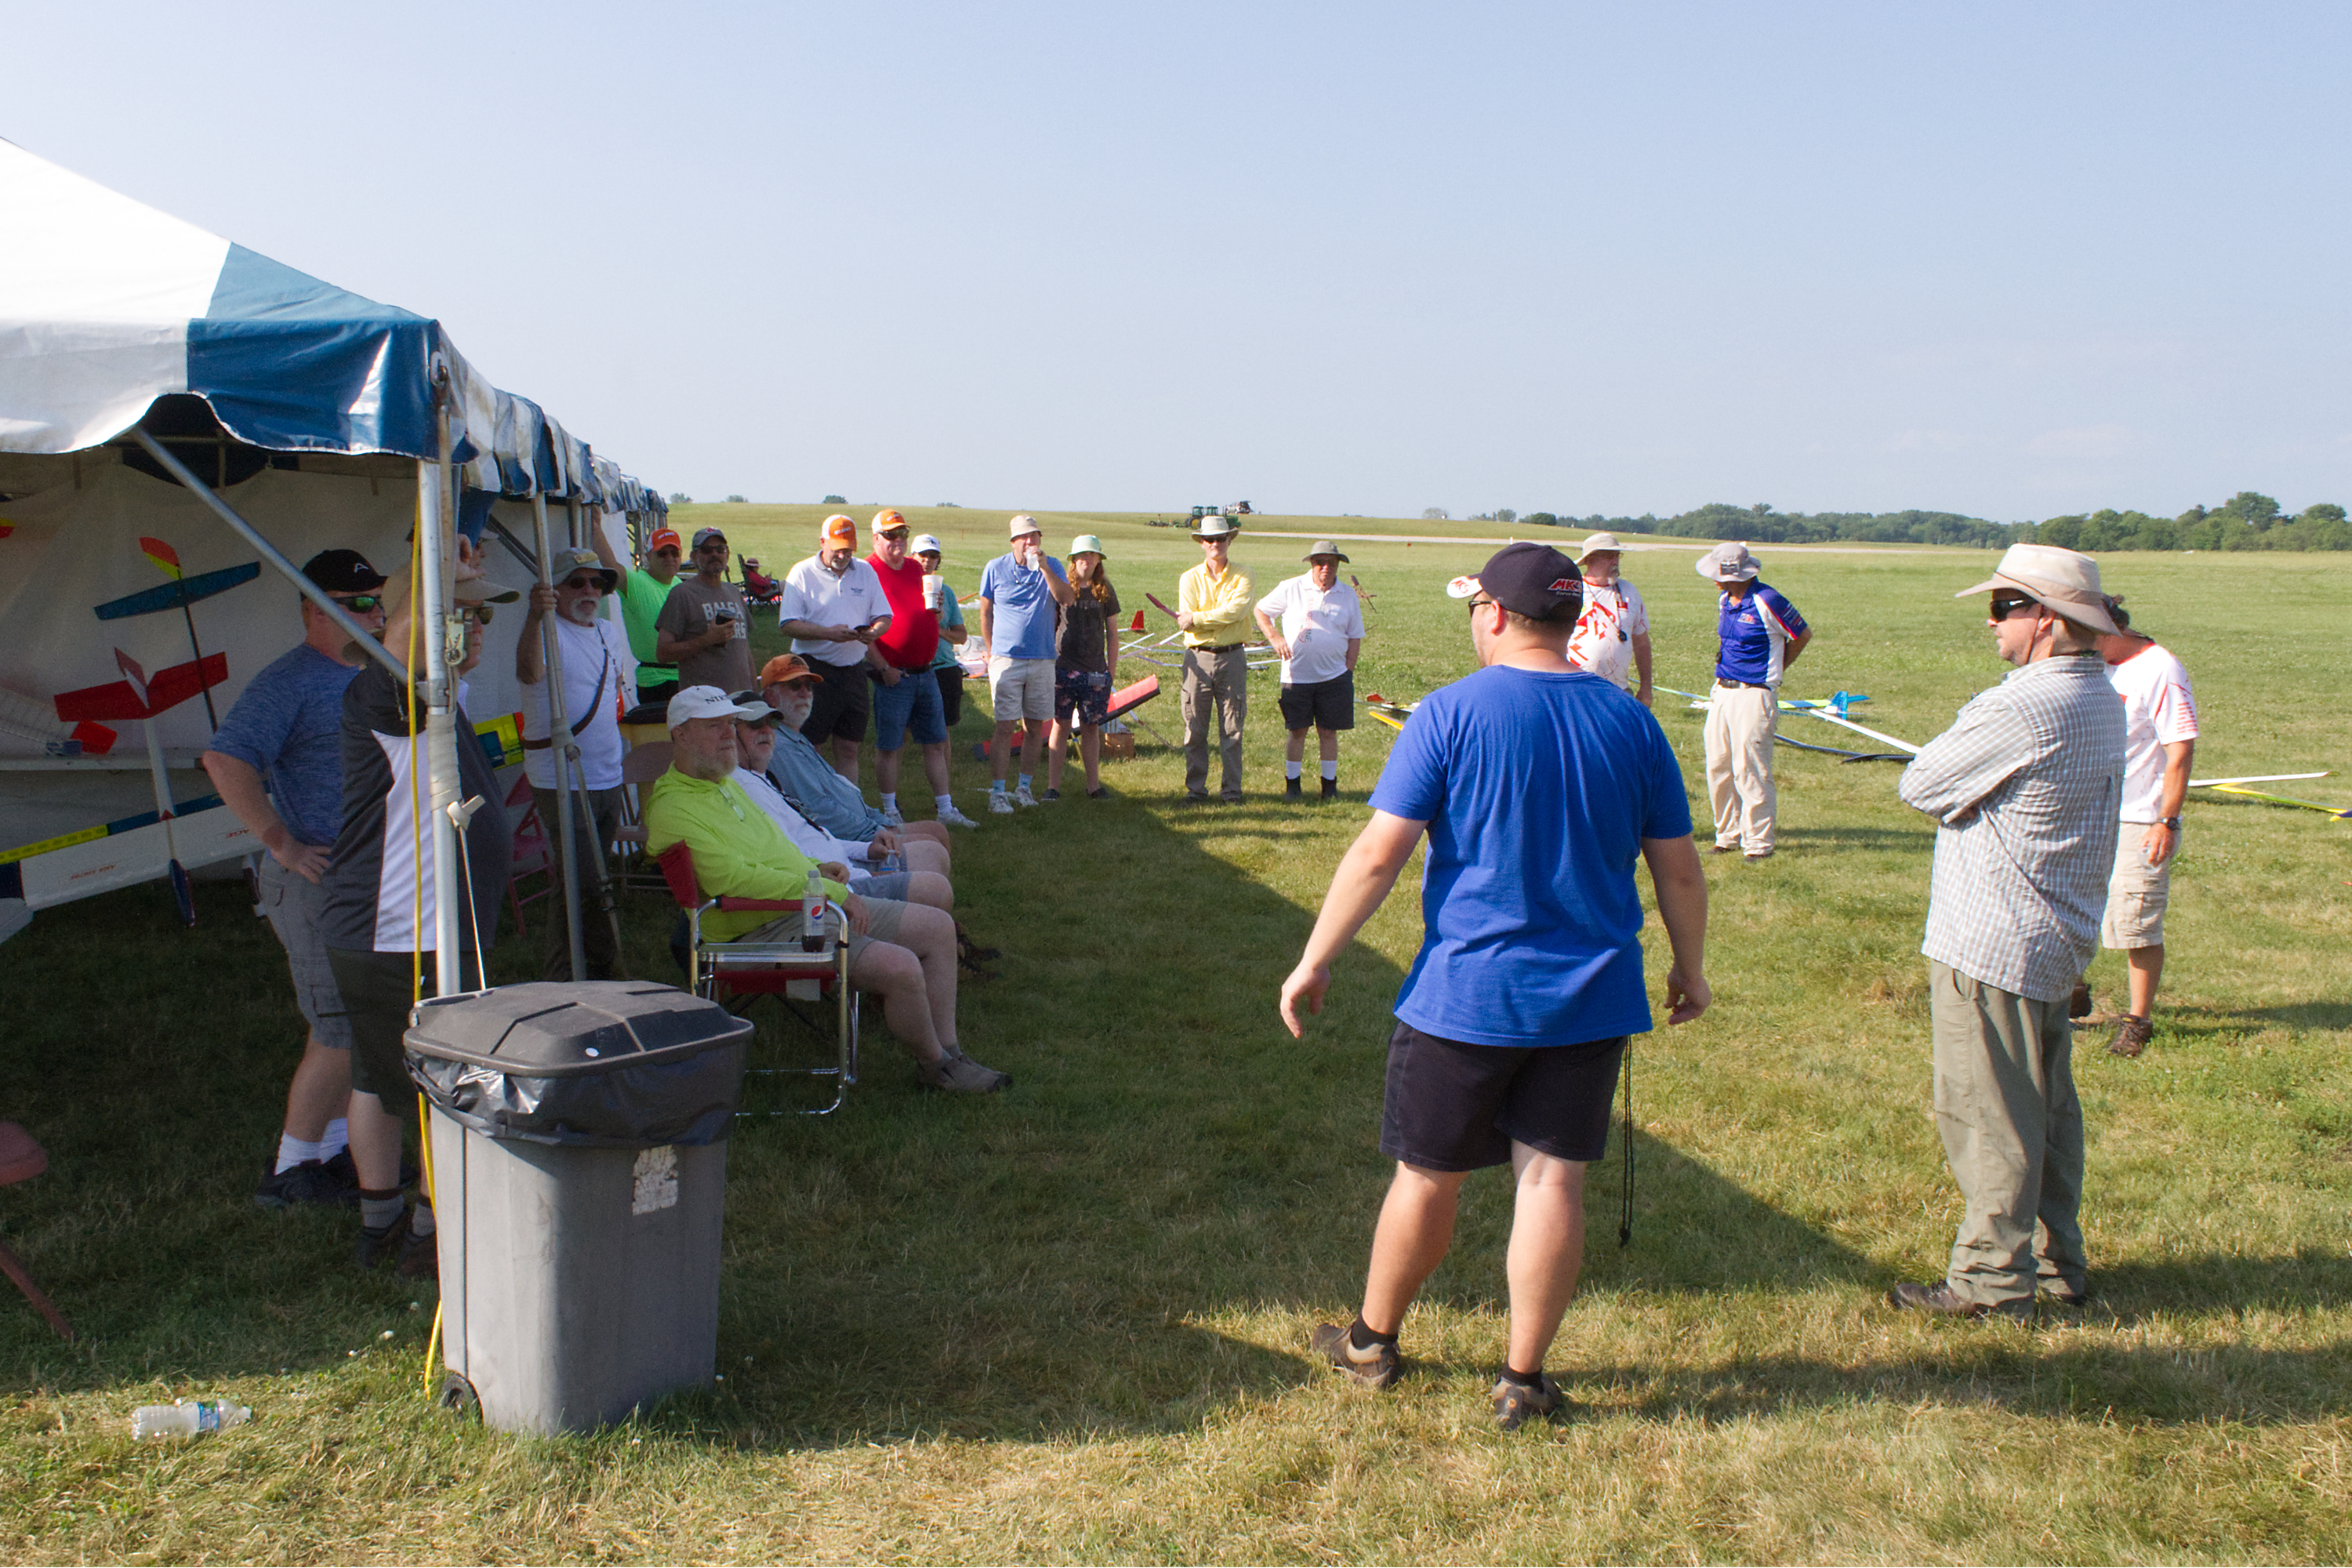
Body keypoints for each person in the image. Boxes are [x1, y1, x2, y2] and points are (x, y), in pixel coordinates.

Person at [1276, 543, 1711, 1431]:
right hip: (1590, 995)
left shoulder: (1447, 715)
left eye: (1476, 605)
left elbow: (1378, 854)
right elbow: (1680, 871)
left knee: (1428, 1175)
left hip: (1464, 995)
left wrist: (1316, 955)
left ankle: (1371, 1341)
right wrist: (1688, 965)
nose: (1473, 618)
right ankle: (1522, 1376)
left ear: (1499, 615)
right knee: (1552, 1181)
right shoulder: (1632, 723)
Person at [1888, 543, 2125, 1319]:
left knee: (1989, 1114)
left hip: (1993, 938)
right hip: (2057, 933)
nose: (1991, 624)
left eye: (2002, 607)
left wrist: (1969, 796)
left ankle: (1991, 1278)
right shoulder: (2102, 693)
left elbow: (1921, 783)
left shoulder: (2024, 702)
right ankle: (2059, 1264)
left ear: (2047, 621)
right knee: (2048, 1111)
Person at [644, 687, 1007, 1093]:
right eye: (714, 727)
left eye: (730, 723)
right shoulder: (673, 807)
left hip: (796, 906)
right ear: (680, 735)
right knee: (901, 967)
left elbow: (777, 848)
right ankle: (936, 1066)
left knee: (938, 927)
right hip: (751, 930)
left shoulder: (724, 784)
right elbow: (734, 883)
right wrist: (830, 893)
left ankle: (952, 1052)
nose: (729, 734)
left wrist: (817, 868)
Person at [321, 561, 514, 1276]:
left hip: (418, 932)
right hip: (399, 933)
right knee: (435, 1089)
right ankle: (425, 1239)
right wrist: (427, 562)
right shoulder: (387, 696)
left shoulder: (440, 698)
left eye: (483, 617)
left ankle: (391, 1228)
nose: (479, 631)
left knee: (381, 1078)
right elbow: (400, 643)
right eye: (466, 616)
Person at [201, 548, 390, 1210]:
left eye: (377, 599)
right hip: (317, 878)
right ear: (314, 609)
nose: (373, 611)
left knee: (357, 1024)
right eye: (355, 602)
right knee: (336, 1028)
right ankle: (287, 1172)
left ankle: (331, 1150)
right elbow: (225, 759)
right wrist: (281, 842)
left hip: (364, 875)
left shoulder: (371, 671)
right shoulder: (290, 680)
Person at [517, 546, 637, 980]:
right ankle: (570, 976)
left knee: (592, 882)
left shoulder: (607, 630)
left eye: (597, 582)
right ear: (556, 591)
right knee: (581, 884)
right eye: (577, 582)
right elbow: (529, 673)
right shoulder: (547, 630)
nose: (590, 590)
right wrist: (534, 616)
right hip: (562, 777)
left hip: (606, 772)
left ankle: (595, 970)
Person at [2089, 600, 2198, 1059]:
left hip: (2140, 817)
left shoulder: (2160, 669)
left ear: (2111, 627)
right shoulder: (2094, 667)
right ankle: (2074, 991)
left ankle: (2138, 1021)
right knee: (2078, 905)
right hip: (2091, 812)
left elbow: (2180, 750)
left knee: (2138, 923)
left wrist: (2165, 821)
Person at [730, 710, 953, 913]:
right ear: (732, 734)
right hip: (836, 883)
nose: (767, 731)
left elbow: (818, 833)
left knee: (933, 852)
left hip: (847, 862)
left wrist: (866, 849)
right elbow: (797, 850)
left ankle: (936, 936)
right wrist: (864, 856)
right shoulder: (750, 786)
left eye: (771, 723)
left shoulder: (763, 777)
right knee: (935, 878)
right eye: (754, 724)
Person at [752, 655, 954, 875]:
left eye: (808, 686)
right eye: (794, 686)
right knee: (931, 846)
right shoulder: (782, 748)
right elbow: (818, 810)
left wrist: (878, 820)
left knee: (936, 831)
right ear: (771, 697)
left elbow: (840, 791)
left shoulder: (795, 736)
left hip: (863, 828)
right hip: (849, 839)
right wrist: (876, 829)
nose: (805, 692)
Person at [1696, 540, 1810, 860]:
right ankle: (1726, 835)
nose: (1714, 580)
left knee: (1750, 769)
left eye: (1720, 574)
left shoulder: (1767, 600)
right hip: (1722, 691)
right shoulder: (1725, 600)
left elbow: (1801, 634)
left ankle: (1758, 843)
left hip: (1754, 694)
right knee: (1718, 765)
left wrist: (1775, 672)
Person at [862, 510, 967, 826]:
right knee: (891, 745)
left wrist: (934, 614)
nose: (898, 541)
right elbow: (860, 630)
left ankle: (946, 809)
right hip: (893, 674)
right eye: (891, 535)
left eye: (903, 534)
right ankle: (890, 810)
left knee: (936, 742)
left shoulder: (913, 568)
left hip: (927, 671)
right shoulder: (867, 571)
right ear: (876, 539)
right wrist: (883, 669)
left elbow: (923, 610)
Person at [777, 514, 891, 780]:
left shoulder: (865, 571)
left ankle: (849, 804)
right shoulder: (802, 572)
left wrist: (874, 633)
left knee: (849, 746)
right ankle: (810, 804)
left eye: (849, 550)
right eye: (838, 549)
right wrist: (827, 633)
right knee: (810, 745)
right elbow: (787, 624)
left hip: (853, 669)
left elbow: (884, 615)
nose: (843, 555)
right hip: (814, 669)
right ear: (822, 542)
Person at [977, 514, 1074, 812]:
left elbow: (1067, 598)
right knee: (1005, 726)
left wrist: (1044, 567)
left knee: (1035, 727)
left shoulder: (1052, 565)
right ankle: (997, 793)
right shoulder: (995, 568)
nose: (1031, 542)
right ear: (1014, 542)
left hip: (1043, 658)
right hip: (1007, 659)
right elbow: (985, 614)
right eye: (1025, 538)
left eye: (1035, 536)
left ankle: (1024, 788)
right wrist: (993, 653)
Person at [1254, 540, 1365, 801]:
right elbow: (1261, 611)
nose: (1326, 568)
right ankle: (1293, 786)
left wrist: (1347, 671)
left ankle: (1330, 787)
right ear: (1311, 564)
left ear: (1339, 565)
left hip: (1335, 678)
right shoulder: (1291, 587)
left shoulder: (1347, 595)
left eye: (1332, 563)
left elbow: (1355, 636)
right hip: (1297, 677)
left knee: (1328, 732)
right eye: (1320, 563)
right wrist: (1274, 637)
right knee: (1298, 731)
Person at [1177, 514, 1254, 804]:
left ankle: (1232, 792)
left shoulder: (1245, 575)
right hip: (1197, 659)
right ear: (1201, 543)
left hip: (1232, 657)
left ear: (1229, 540)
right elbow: (1214, 617)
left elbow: (1237, 611)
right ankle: (1195, 791)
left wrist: (1197, 618)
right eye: (1209, 539)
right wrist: (1211, 620)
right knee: (1195, 729)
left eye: (1221, 538)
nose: (1215, 544)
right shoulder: (1189, 578)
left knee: (1232, 729)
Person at [1046, 534, 1121, 800]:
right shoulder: (1062, 587)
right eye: (1081, 556)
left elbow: (1113, 634)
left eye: (1091, 555)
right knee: (1060, 725)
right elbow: (1051, 623)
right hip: (1063, 667)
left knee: (1091, 727)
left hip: (1096, 672)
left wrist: (1110, 671)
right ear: (1073, 560)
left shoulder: (1106, 590)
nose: (1086, 560)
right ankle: (1052, 787)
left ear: (1099, 559)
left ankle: (1093, 786)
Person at [654, 525, 755, 695]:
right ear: (694, 557)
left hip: (742, 701)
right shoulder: (682, 594)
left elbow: (745, 650)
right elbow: (663, 653)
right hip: (705, 704)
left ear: (727, 554)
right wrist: (706, 640)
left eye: (720, 549)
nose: (715, 554)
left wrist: (755, 694)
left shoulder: (734, 592)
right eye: (707, 550)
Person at [595, 518, 684, 710]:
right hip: (656, 681)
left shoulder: (680, 585)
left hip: (685, 676)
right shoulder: (635, 583)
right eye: (662, 553)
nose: (669, 558)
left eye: (674, 552)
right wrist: (595, 526)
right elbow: (610, 566)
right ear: (648, 557)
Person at [1565, 532, 1653, 707]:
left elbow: (1641, 642)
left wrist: (1646, 688)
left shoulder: (1629, 592)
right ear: (1590, 559)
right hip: (1576, 690)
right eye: (1608, 556)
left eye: (1617, 556)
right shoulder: (1573, 591)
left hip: (1618, 692)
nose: (1615, 561)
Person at [913, 533, 976, 750]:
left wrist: (937, 629)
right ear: (912, 557)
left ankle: (944, 781)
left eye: (933, 556)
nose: (927, 560)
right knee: (901, 730)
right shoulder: (905, 589)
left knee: (942, 732)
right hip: (911, 667)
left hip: (943, 666)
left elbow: (961, 636)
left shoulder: (946, 593)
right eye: (923, 555)